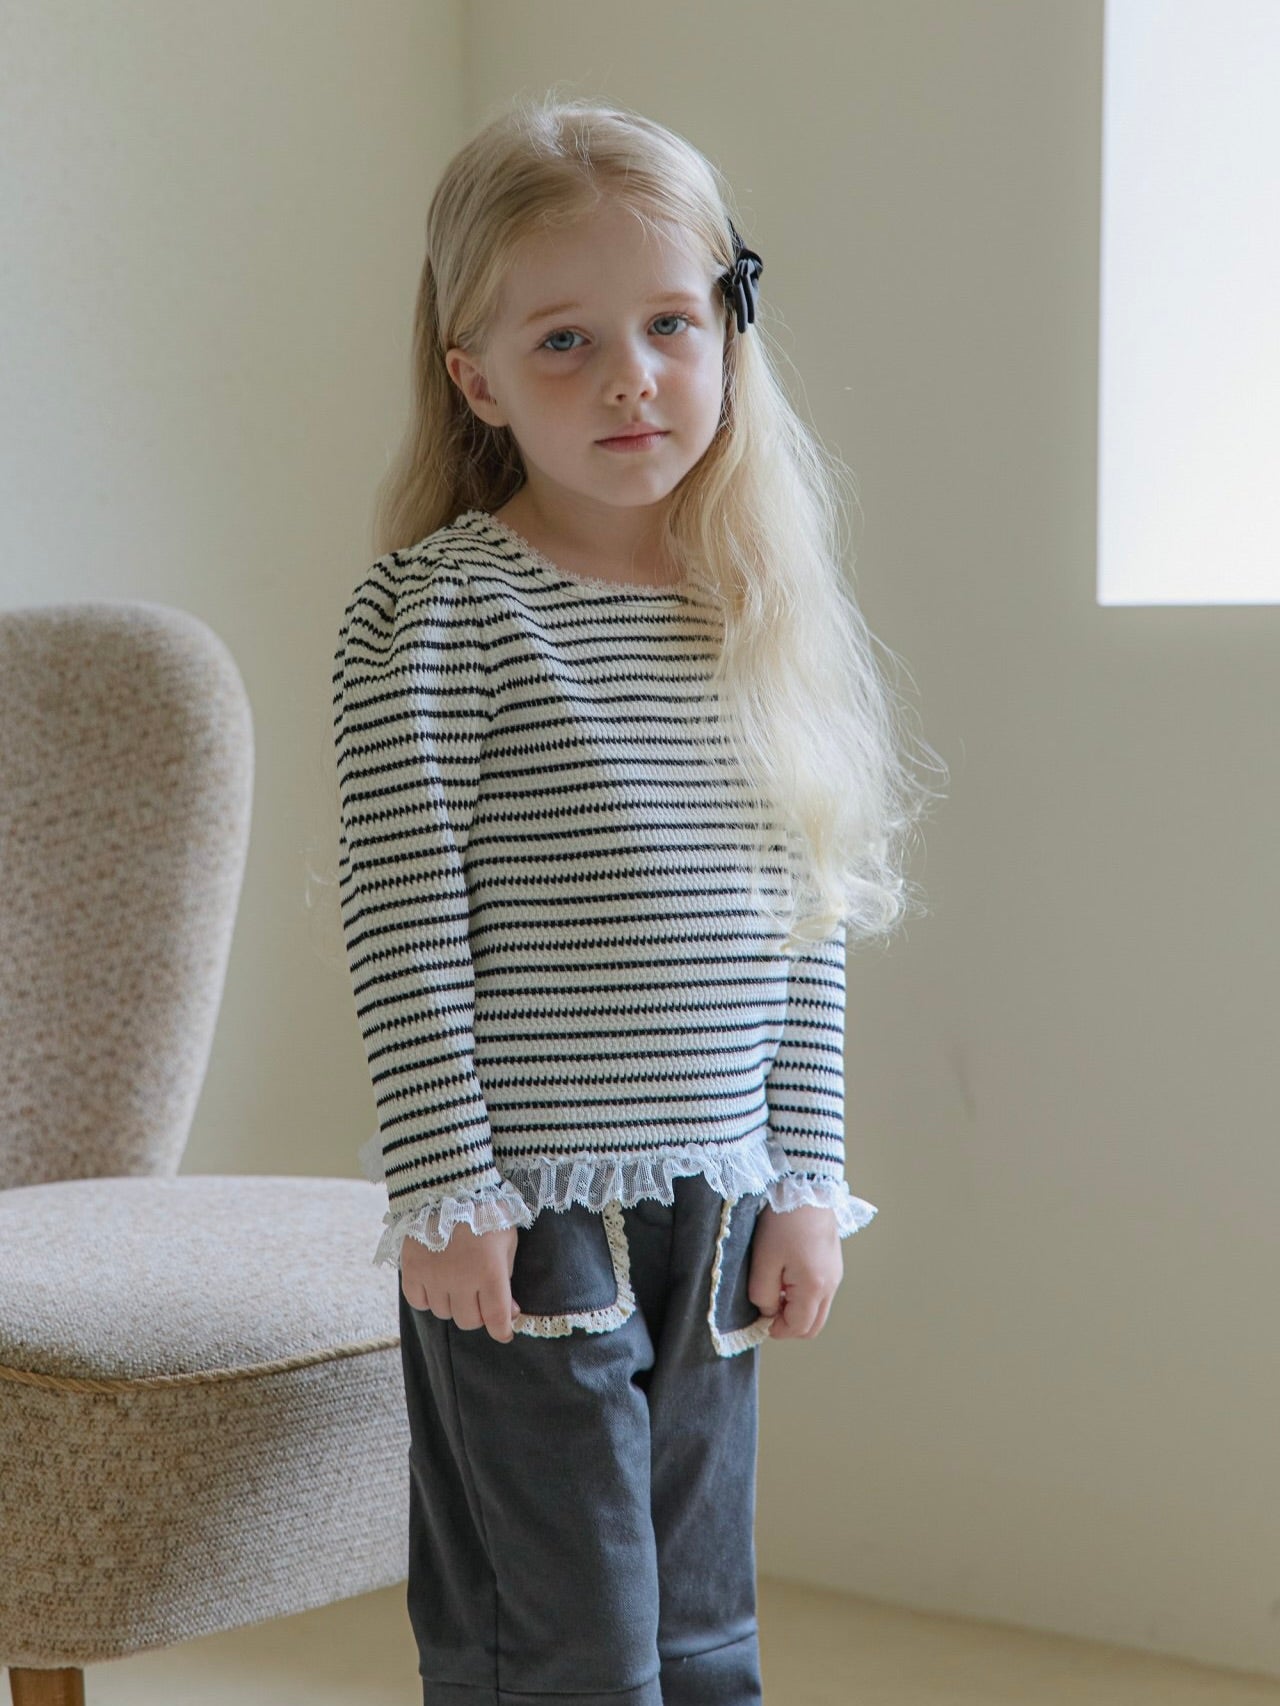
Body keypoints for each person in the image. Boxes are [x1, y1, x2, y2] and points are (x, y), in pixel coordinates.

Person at [332, 92, 945, 1706]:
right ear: (477, 378)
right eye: (566, 342)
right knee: (563, 1640)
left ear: (727, 328)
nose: (632, 377)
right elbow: (405, 926)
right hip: (527, 1216)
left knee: (701, 1630)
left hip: (718, 1207)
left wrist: (804, 1176)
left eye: (672, 323)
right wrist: (447, 1186)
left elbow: (804, 916)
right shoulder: (441, 613)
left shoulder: (754, 604)